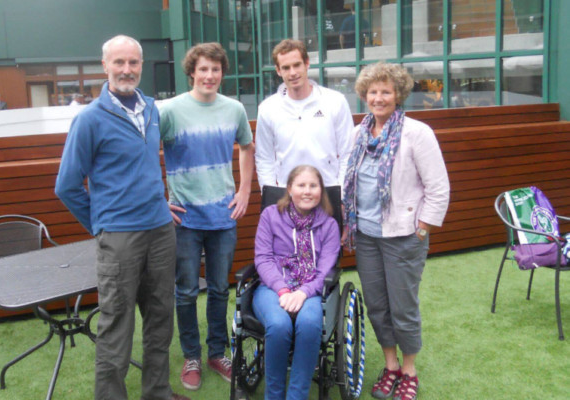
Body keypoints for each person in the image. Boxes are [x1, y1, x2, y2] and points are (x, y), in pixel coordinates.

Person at [55, 34, 189, 400]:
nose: (126, 70)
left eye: (133, 63)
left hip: (161, 232)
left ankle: (157, 392)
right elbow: (66, 186)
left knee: (161, 319)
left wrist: (160, 203)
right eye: (119, 62)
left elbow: (144, 167)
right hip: (119, 239)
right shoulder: (90, 119)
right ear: (105, 66)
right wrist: (103, 223)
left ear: (141, 66)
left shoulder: (151, 108)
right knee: (116, 326)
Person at [341, 62, 450, 400]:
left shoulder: (417, 133)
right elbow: (350, 181)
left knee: (403, 307)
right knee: (377, 305)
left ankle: (409, 370)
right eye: (372, 91)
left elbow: (438, 187)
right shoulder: (358, 134)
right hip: (368, 236)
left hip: (404, 235)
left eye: (385, 91)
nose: (378, 97)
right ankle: (390, 366)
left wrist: (422, 228)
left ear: (398, 94)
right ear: (364, 95)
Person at [159, 42, 255, 391]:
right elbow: (143, 152)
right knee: (185, 292)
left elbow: (247, 147)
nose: (210, 76)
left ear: (222, 73)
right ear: (192, 72)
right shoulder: (168, 110)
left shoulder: (234, 110)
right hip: (183, 219)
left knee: (218, 289)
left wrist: (244, 191)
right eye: (203, 69)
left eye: (216, 70)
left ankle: (217, 352)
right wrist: (159, 199)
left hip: (223, 217)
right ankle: (191, 357)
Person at [252, 164, 340, 400]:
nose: (307, 191)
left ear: (321, 190)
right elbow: (263, 258)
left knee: (311, 322)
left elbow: (324, 270)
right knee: (279, 325)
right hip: (273, 287)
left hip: (311, 289)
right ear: (290, 188)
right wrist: (282, 289)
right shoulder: (270, 216)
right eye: (301, 185)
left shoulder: (330, 226)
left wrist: (302, 292)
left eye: (313, 185)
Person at [255, 39, 354, 191]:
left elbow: (348, 153)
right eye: (286, 68)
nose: (293, 73)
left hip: (328, 193)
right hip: (287, 197)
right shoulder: (267, 108)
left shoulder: (336, 101)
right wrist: (271, 198)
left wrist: (341, 195)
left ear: (307, 63)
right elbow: (264, 159)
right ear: (278, 70)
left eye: (297, 65)